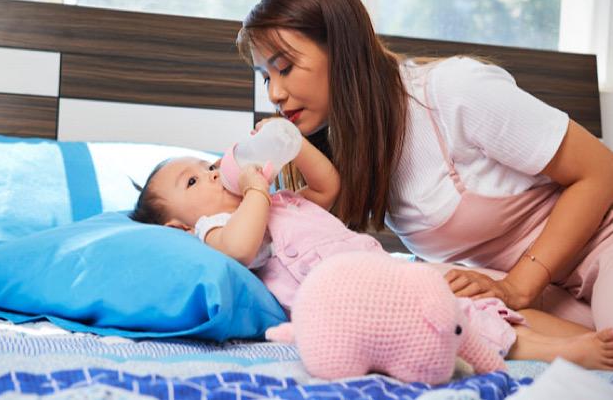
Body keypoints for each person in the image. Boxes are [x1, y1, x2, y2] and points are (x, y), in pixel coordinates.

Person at [235, 0, 613, 332]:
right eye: (266, 77)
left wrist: (520, 286)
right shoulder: (349, 150)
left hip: (598, 249)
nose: (274, 95)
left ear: (343, 50)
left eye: (284, 68)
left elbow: (601, 170)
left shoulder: (453, 91)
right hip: (543, 290)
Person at [129, 137, 613, 370]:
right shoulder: (216, 229)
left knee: (485, 303)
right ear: (179, 225)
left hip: (386, 276)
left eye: (209, 165)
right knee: (457, 319)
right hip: (358, 305)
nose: (213, 174)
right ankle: (566, 354)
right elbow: (241, 248)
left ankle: (592, 339)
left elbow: (329, 184)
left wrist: (290, 142)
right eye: (193, 180)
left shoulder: (281, 201)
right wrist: (255, 191)